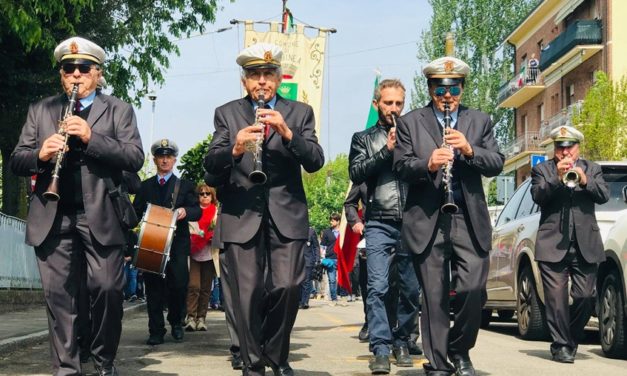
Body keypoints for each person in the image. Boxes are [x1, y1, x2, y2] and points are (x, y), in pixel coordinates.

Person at [10, 36, 144, 376]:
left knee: (108, 290)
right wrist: (41, 154)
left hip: (100, 215)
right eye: (68, 69)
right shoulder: (41, 110)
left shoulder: (118, 110)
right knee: (60, 300)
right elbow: (17, 159)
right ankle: (67, 368)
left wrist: (90, 137)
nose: (75, 74)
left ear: (98, 74)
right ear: (61, 75)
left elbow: (134, 157)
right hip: (53, 216)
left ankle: (103, 360)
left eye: (84, 68)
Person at [204, 42, 324, 376]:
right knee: (246, 296)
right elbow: (210, 169)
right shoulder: (226, 113)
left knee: (287, 287)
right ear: (244, 81)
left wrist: (287, 133)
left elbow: (315, 161)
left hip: (287, 215)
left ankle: (276, 353)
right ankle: (253, 365)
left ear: (278, 78)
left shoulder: (299, 113)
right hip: (241, 215)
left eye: (268, 74)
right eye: (254, 75)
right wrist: (236, 147)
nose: (261, 81)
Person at [393, 57, 504, 376]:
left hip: (468, 220)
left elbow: (497, 162)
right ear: (430, 88)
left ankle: (459, 349)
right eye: (440, 88)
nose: (447, 94)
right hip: (428, 219)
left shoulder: (479, 121)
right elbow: (400, 167)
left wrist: (470, 150)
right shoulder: (410, 122)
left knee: (472, 289)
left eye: (453, 87)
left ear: (462, 88)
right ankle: (439, 362)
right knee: (434, 296)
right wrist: (427, 162)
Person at [349, 78, 421, 374]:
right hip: (378, 220)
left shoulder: (415, 135)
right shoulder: (362, 138)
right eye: (388, 102)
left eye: (399, 103)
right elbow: (356, 172)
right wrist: (386, 151)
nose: (394, 108)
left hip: (413, 221)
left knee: (410, 289)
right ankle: (380, 347)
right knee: (377, 287)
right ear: (376, 103)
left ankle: (402, 341)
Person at [530, 125, 609, 363]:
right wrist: (556, 176)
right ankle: (561, 345)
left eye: (569, 147)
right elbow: (538, 196)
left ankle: (570, 338)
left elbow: (603, 195)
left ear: (578, 148)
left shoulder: (592, 169)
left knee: (585, 297)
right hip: (552, 243)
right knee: (556, 300)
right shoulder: (541, 169)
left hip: (585, 244)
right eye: (560, 147)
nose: (565, 152)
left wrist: (585, 181)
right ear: (554, 148)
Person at [133, 139, 201, 346]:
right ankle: (156, 330)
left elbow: (197, 211)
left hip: (177, 246)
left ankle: (176, 322)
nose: (165, 160)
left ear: (174, 160)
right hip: (152, 245)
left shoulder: (185, 186)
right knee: (153, 289)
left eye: (168, 157)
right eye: (161, 157)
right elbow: (134, 214)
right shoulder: (145, 187)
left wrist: (184, 211)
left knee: (179, 286)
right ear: (154, 159)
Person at [185, 184, 218, 331]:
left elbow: (221, 231)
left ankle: (201, 318)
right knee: (193, 286)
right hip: (193, 253)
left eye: (207, 194)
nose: (204, 196)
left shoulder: (217, 212)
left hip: (210, 254)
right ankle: (191, 317)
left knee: (205, 288)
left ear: (212, 196)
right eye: (201, 194)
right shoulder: (193, 211)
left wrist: (214, 238)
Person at [344, 182, 369, 342]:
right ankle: (371, 321)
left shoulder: (407, 163)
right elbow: (350, 203)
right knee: (370, 284)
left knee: (407, 287)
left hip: (405, 231)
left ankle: (407, 333)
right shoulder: (364, 173)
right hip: (371, 233)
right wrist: (355, 221)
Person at [320, 213, 340, 306]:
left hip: (341, 259)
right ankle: (334, 299)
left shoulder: (342, 232)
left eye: (332, 220)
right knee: (332, 280)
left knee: (342, 279)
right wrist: (322, 257)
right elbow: (323, 246)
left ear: (338, 221)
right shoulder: (327, 232)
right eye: (330, 220)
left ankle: (344, 296)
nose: (330, 222)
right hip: (330, 258)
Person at [300, 226, 320, 309]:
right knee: (298, 282)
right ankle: (298, 301)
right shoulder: (295, 228)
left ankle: (305, 302)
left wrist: (317, 259)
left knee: (306, 282)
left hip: (308, 260)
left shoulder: (311, 231)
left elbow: (316, 246)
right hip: (297, 260)